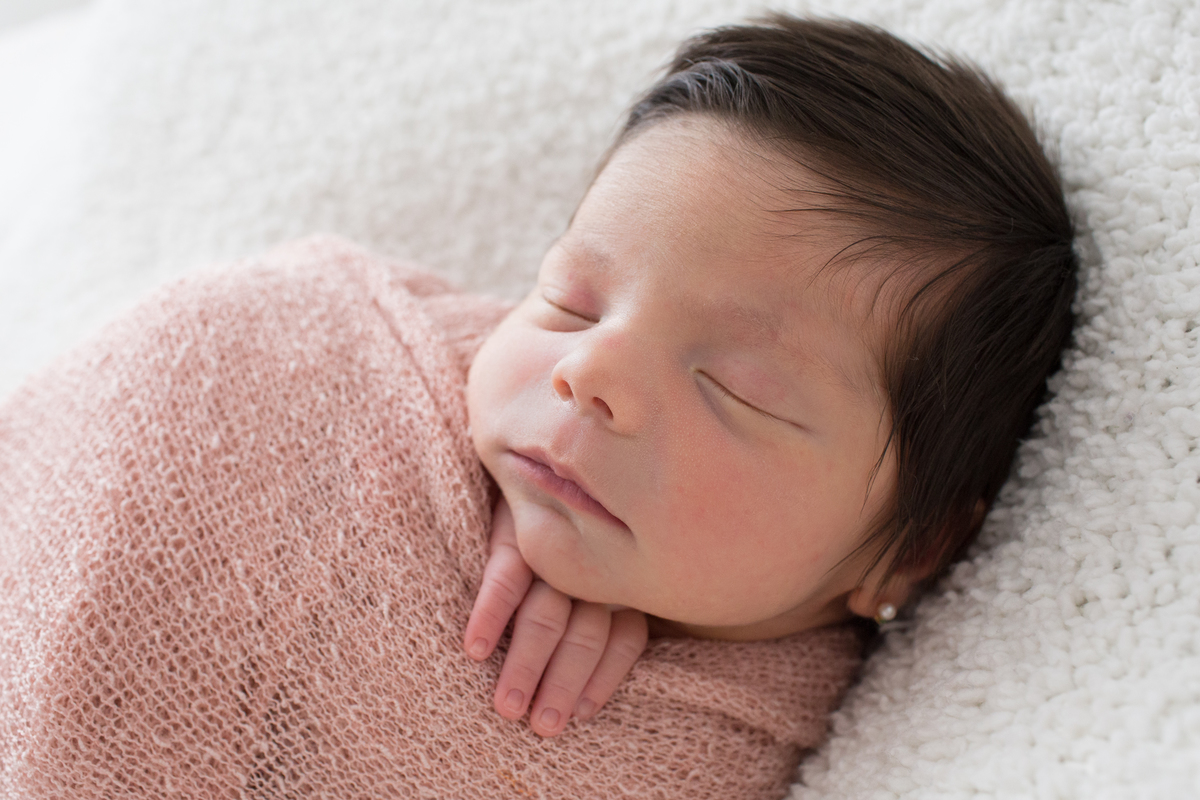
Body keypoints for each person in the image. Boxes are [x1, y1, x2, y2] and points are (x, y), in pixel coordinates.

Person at [0, 15, 1075, 799]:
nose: (589, 370)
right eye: (570, 296)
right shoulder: (345, 373)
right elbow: (226, 360)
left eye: (734, 386)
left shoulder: (783, 743)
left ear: (913, 547)